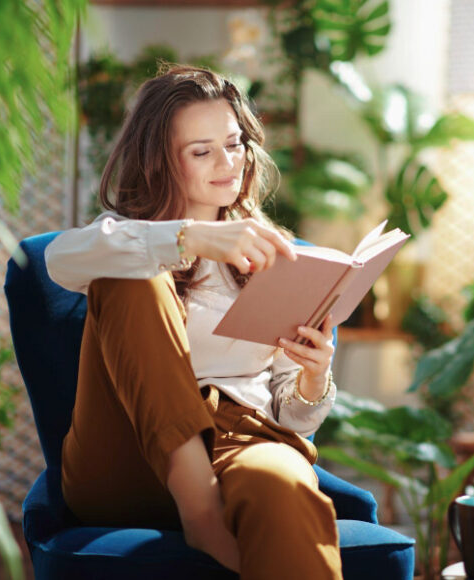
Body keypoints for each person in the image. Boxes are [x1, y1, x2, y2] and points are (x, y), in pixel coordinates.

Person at [45, 65, 342, 579]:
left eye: (234, 143)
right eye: (202, 151)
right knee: (132, 274)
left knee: (283, 483)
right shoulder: (127, 239)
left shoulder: (272, 252)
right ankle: (200, 512)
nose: (228, 163)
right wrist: (189, 240)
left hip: (240, 440)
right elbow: (57, 260)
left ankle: (214, 499)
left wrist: (314, 378)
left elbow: (291, 416)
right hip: (125, 456)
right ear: (161, 163)